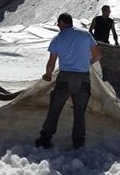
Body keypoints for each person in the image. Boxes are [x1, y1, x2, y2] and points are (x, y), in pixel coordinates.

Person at [36, 13, 101, 149]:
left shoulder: (57, 39)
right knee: (79, 112)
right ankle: (78, 142)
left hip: (64, 78)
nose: (58, 27)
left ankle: (45, 139)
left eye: (59, 24)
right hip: (83, 79)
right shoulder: (85, 35)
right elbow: (98, 55)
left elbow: (51, 62)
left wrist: (48, 75)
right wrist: (85, 63)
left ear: (63, 23)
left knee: (55, 109)